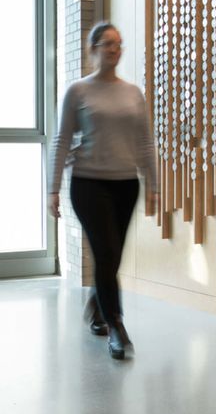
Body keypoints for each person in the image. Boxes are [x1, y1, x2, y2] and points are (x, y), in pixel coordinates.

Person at [48, 21, 158, 360]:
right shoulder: (78, 92)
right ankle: (115, 325)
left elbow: (144, 141)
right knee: (107, 251)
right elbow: (62, 139)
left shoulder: (132, 93)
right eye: (108, 44)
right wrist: (52, 189)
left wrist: (152, 184)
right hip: (88, 183)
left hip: (126, 185)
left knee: (111, 255)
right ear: (93, 49)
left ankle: (97, 306)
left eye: (119, 44)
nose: (115, 49)